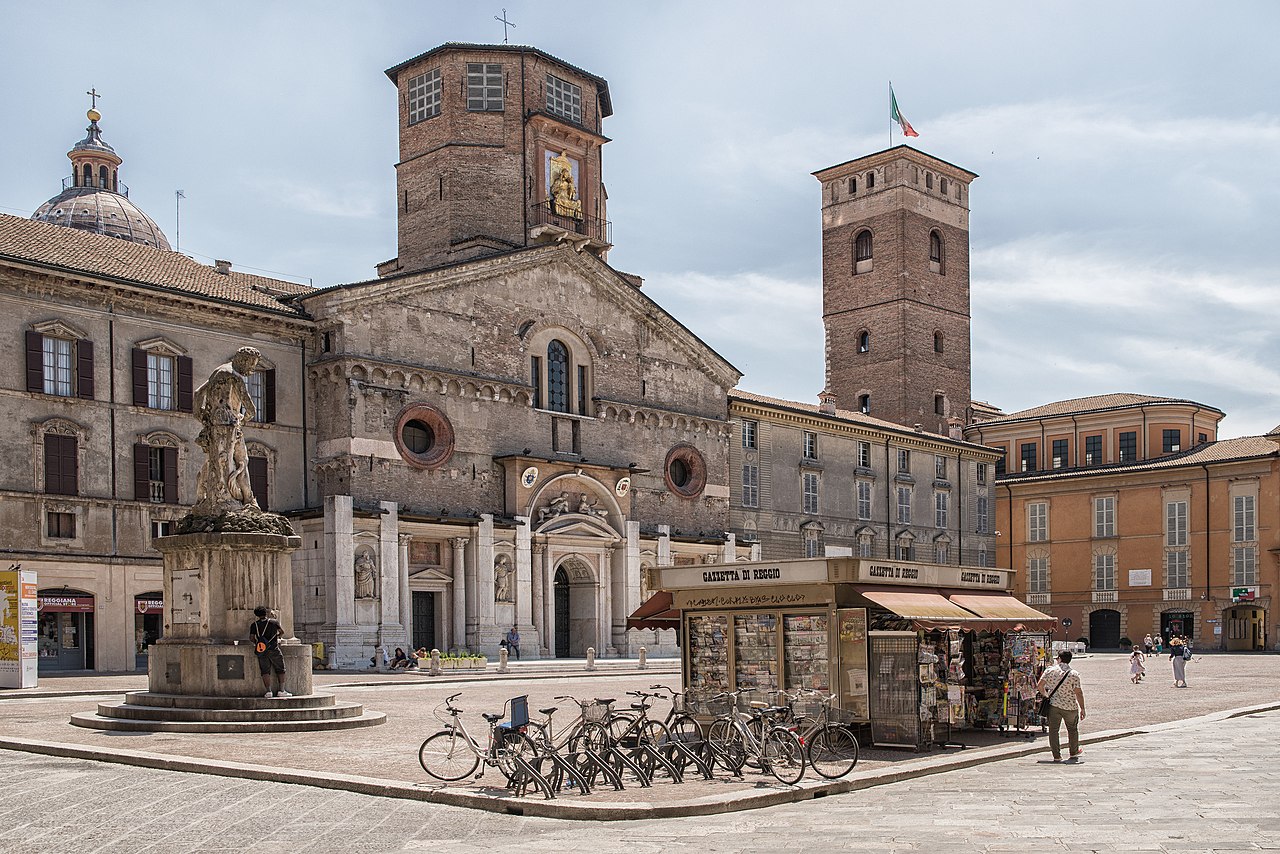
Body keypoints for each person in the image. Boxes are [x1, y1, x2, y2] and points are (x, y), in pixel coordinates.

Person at [1036, 649, 1085, 763]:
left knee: (1053, 731)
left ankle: (1057, 756)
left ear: (1059, 659)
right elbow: (1078, 692)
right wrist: (1082, 708)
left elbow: (1040, 686)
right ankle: (1073, 752)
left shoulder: (1050, 671)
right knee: (1072, 729)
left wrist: (1046, 695)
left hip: (1054, 705)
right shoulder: (1074, 674)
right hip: (1070, 706)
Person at [249, 605, 290, 698]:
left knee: (265, 671)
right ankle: (281, 690)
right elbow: (282, 632)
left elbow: (251, 638)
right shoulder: (273, 622)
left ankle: (268, 692)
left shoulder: (254, 625)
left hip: (261, 650)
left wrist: (259, 643)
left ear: (257, 615)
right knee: (280, 669)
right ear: (265, 613)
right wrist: (277, 636)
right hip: (273, 648)